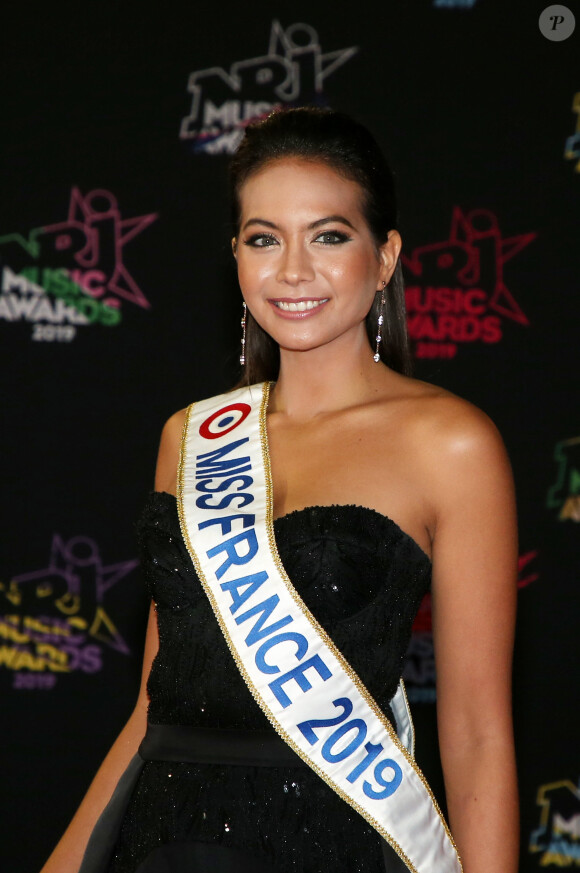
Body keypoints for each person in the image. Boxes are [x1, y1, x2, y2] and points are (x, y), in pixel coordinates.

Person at [41, 107, 519, 873]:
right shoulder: (190, 437)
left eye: (329, 235)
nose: (293, 270)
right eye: (264, 238)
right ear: (235, 254)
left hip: (334, 841)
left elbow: (476, 733)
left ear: (386, 254)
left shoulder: (450, 443)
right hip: (164, 838)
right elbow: (154, 704)